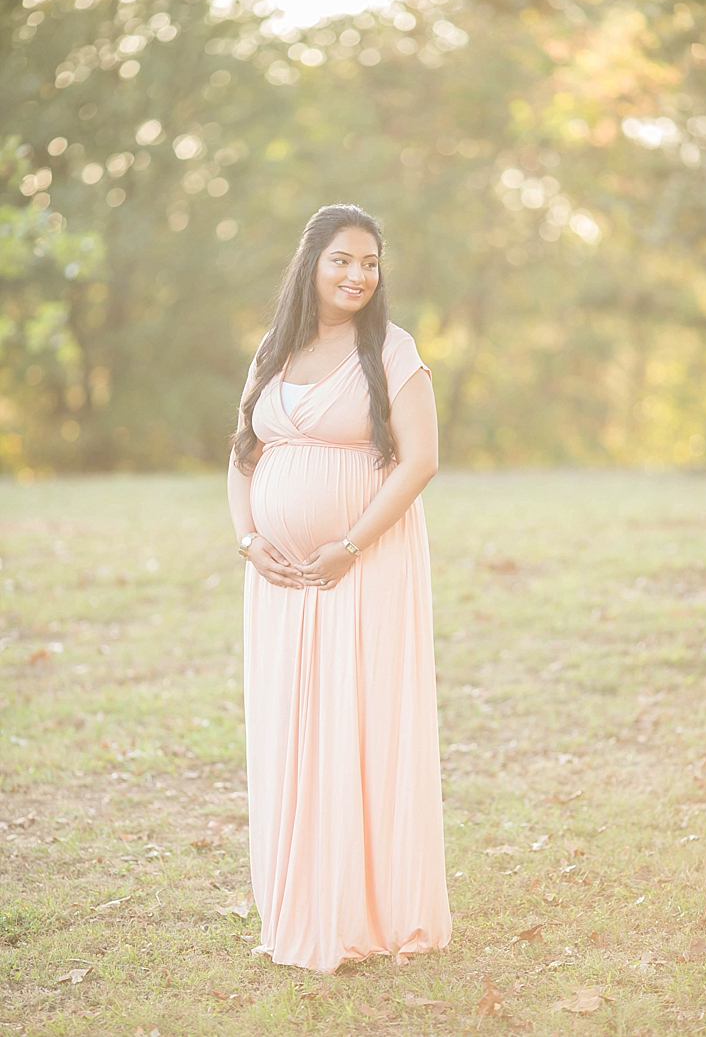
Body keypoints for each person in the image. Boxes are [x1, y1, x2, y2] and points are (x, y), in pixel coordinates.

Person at [226, 203, 451, 974]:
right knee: (294, 727)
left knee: (356, 719)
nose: (358, 274)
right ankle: (302, 898)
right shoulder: (275, 348)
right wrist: (250, 541)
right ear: (311, 265)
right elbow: (242, 458)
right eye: (343, 260)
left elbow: (418, 461)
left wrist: (350, 545)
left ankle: (364, 908)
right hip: (282, 580)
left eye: (370, 263)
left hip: (363, 565)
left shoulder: (390, 349)